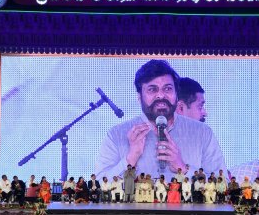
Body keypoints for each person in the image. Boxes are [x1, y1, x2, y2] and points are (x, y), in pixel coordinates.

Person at [95, 59, 227, 180]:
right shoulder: (116, 135)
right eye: (152, 89)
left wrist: (184, 169)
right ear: (139, 97)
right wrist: (130, 158)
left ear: (176, 94)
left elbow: (224, 184)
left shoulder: (202, 133)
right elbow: (99, 185)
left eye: (168, 89)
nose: (161, 95)